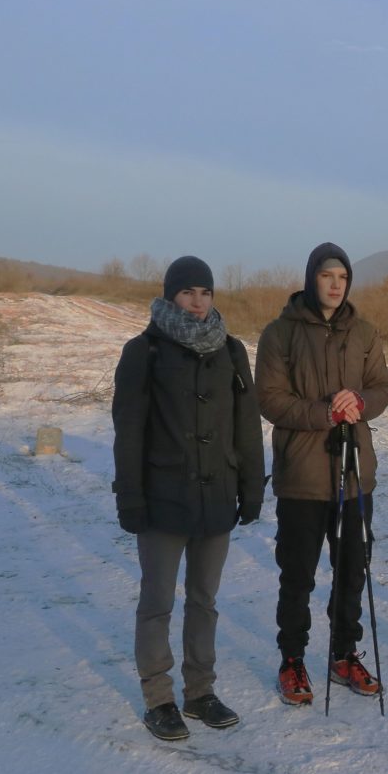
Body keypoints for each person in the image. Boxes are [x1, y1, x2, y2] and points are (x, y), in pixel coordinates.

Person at [112, 256, 265, 741]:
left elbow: (247, 425)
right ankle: (159, 698)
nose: (198, 302)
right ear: (170, 296)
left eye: (205, 292)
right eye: (187, 293)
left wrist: (253, 487)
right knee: (157, 601)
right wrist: (130, 497)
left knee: (204, 600)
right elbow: (129, 431)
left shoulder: (232, 350)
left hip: (217, 495)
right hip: (163, 499)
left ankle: (200, 692)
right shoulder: (144, 351)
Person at [255, 242, 388, 706]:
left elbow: (382, 387)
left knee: (352, 570)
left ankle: (343, 654)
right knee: (297, 574)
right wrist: (324, 413)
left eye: (343, 277)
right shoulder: (281, 333)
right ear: (311, 278)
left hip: (354, 474)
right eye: (326, 276)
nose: (335, 285)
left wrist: (360, 402)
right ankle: (292, 659)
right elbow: (269, 399)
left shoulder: (364, 332)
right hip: (303, 474)